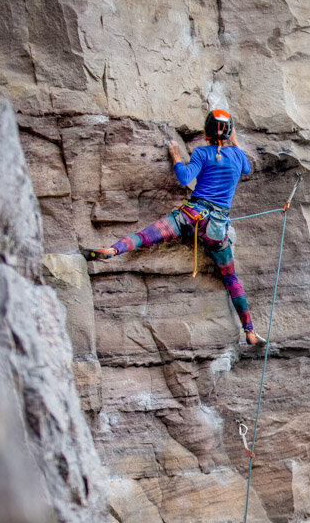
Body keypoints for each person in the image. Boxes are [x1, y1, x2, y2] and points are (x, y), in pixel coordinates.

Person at [84, 109, 263, 346]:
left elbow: (184, 177)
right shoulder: (239, 158)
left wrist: (176, 156)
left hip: (190, 217)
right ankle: (249, 330)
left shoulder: (201, 153)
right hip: (216, 229)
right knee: (230, 277)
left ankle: (113, 250)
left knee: (146, 236)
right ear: (229, 133)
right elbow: (247, 168)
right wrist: (234, 142)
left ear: (206, 131)